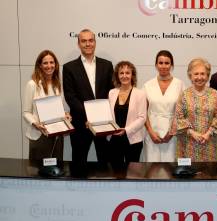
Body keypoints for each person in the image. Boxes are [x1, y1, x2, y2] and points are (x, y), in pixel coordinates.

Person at [63, 29, 114, 174]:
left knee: (105, 165)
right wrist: (89, 115)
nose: (87, 44)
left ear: (95, 43)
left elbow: (111, 93)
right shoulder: (69, 68)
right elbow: (70, 96)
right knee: (78, 165)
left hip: (103, 124)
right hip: (80, 124)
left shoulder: (107, 65)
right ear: (78, 44)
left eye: (90, 40)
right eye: (84, 41)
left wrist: (100, 116)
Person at [173, 58, 217, 162]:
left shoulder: (215, 94)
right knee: (188, 175)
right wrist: (192, 133)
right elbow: (178, 118)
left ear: (208, 76)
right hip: (188, 144)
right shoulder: (184, 95)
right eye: (196, 74)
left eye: (203, 74)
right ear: (190, 76)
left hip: (209, 143)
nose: (199, 77)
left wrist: (208, 134)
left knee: (209, 175)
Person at [23, 50, 71, 161]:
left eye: (51, 62)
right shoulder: (32, 84)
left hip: (57, 135)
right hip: (39, 134)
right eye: (45, 63)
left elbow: (59, 109)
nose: (49, 66)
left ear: (56, 64)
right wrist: (36, 124)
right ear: (39, 65)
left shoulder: (57, 84)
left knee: (56, 168)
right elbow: (26, 112)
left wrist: (66, 114)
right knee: (38, 171)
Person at [143, 50, 185, 162]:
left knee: (170, 168)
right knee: (152, 169)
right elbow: (143, 112)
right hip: (152, 133)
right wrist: (151, 132)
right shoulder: (147, 85)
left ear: (172, 65)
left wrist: (172, 132)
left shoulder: (180, 84)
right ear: (156, 65)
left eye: (167, 63)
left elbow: (182, 112)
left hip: (172, 133)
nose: (163, 66)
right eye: (160, 63)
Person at [108, 61, 147, 167]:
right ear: (117, 75)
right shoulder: (111, 93)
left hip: (133, 140)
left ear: (132, 75)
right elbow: (108, 116)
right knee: (116, 173)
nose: (124, 76)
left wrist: (126, 130)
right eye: (121, 73)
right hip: (115, 139)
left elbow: (142, 118)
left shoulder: (140, 94)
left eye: (127, 73)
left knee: (133, 174)